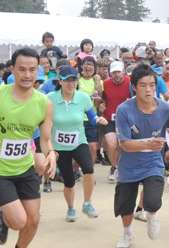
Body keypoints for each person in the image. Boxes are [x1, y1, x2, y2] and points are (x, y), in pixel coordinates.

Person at [0, 47, 56, 248]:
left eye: (32, 70)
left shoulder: (44, 103)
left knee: (33, 220)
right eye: (22, 69)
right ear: (13, 69)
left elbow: (44, 140)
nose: (27, 75)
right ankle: (4, 215)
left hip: (24, 167)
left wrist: (51, 153)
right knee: (19, 221)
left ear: (38, 72)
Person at [113, 64, 169, 248]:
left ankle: (152, 215)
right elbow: (124, 144)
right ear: (133, 86)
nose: (148, 90)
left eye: (152, 85)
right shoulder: (124, 110)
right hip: (128, 165)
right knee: (125, 206)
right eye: (143, 85)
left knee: (153, 201)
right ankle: (127, 234)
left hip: (153, 163)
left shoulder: (166, 109)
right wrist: (148, 144)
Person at [48, 65, 107, 222]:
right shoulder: (50, 98)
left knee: (88, 169)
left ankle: (87, 204)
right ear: (60, 81)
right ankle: (70, 208)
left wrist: (98, 119)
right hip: (59, 147)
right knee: (69, 181)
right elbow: (43, 120)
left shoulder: (83, 98)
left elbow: (92, 116)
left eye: (74, 80)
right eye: (67, 80)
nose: (71, 84)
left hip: (78, 142)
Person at [101, 61, 131, 183]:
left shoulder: (130, 82)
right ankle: (114, 167)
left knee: (122, 145)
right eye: (114, 72)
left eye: (119, 72)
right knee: (112, 145)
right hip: (109, 118)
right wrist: (101, 106)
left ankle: (122, 167)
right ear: (110, 73)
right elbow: (102, 99)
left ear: (123, 71)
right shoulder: (105, 84)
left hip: (126, 119)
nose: (117, 75)